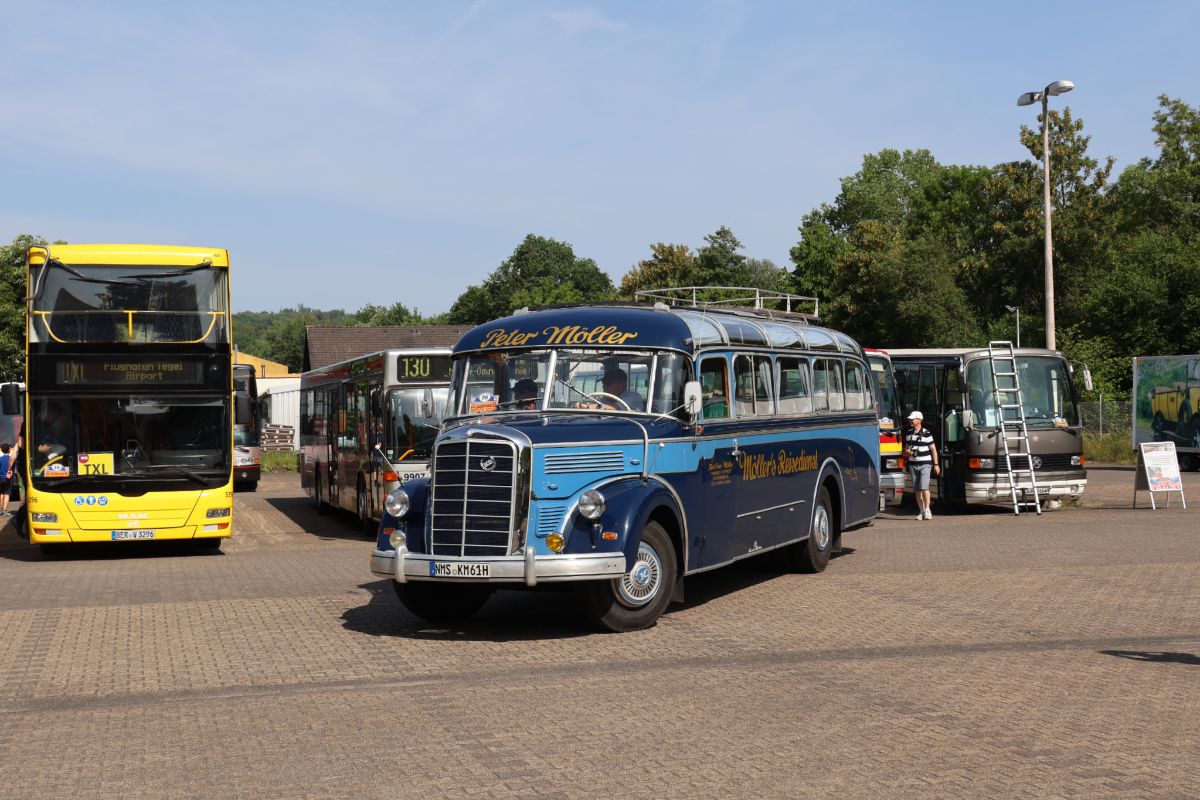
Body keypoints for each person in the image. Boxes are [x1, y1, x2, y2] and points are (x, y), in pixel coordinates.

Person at [904, 410, 940, 520]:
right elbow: (906, 448)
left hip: (925, 463)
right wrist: (907, 452)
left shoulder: (927, 433)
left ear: (919, 420)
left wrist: (936, 464)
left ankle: (928, 510)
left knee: (924, 487)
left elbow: (933, 449)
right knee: (917, 489)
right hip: (913, 464)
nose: (910, 420)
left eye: (912, 419)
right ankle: (921, 511)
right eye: (910, 419)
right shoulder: (908, 433)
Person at [0, 443, 10, 517]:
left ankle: (0, 510)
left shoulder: (0, 459)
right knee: (7, 494)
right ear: (9, 449)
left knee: (1, 493)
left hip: (0, 478)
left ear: (1, 450)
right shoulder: (11, 459)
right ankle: (4, 511)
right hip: (8, 478)